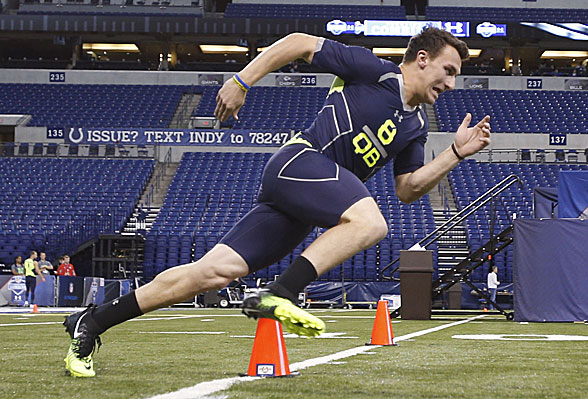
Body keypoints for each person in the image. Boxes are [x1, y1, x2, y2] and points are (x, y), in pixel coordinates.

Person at [61, 27, 492, 378]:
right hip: (299, 164)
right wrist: (241, 80)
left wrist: (454, 154)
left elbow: (408, 188)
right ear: (422, 59)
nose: (451, 84)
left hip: (306, 201)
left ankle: (92, 322)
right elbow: (299, 43)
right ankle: (280, 292)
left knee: (212, 273)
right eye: (448, 70)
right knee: (370, 223)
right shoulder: (373, 70)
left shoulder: (415, 126)